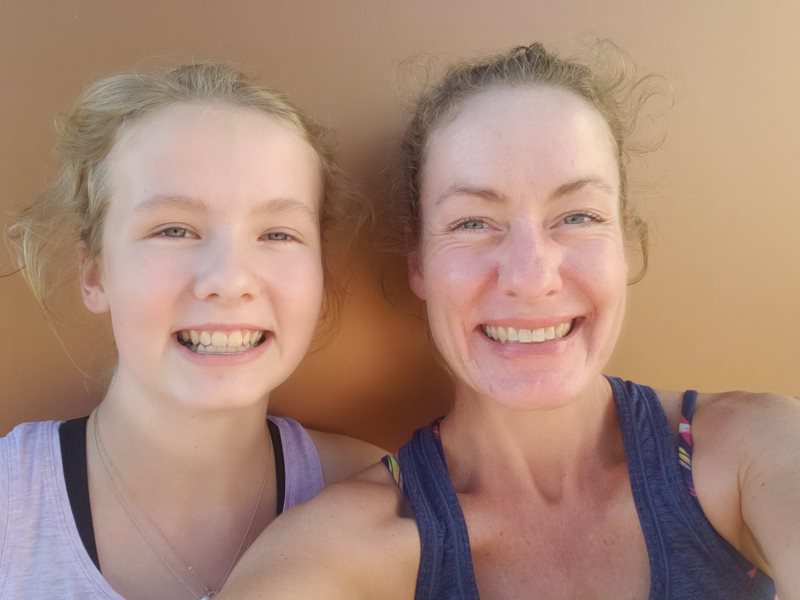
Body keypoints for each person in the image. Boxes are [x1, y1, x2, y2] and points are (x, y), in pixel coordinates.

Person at [219, 43, 799, 599]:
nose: (530, 274)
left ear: (625, 244)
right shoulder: (339, 550)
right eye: (473, 222)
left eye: (577, 215)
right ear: (418, 261)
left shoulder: (758, 450)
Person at [1, 62, 384, 599]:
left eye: (277, 233)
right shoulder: (9, 510)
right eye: (173, 229)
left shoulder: (387, 501)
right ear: (94, 273)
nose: (229, 280)